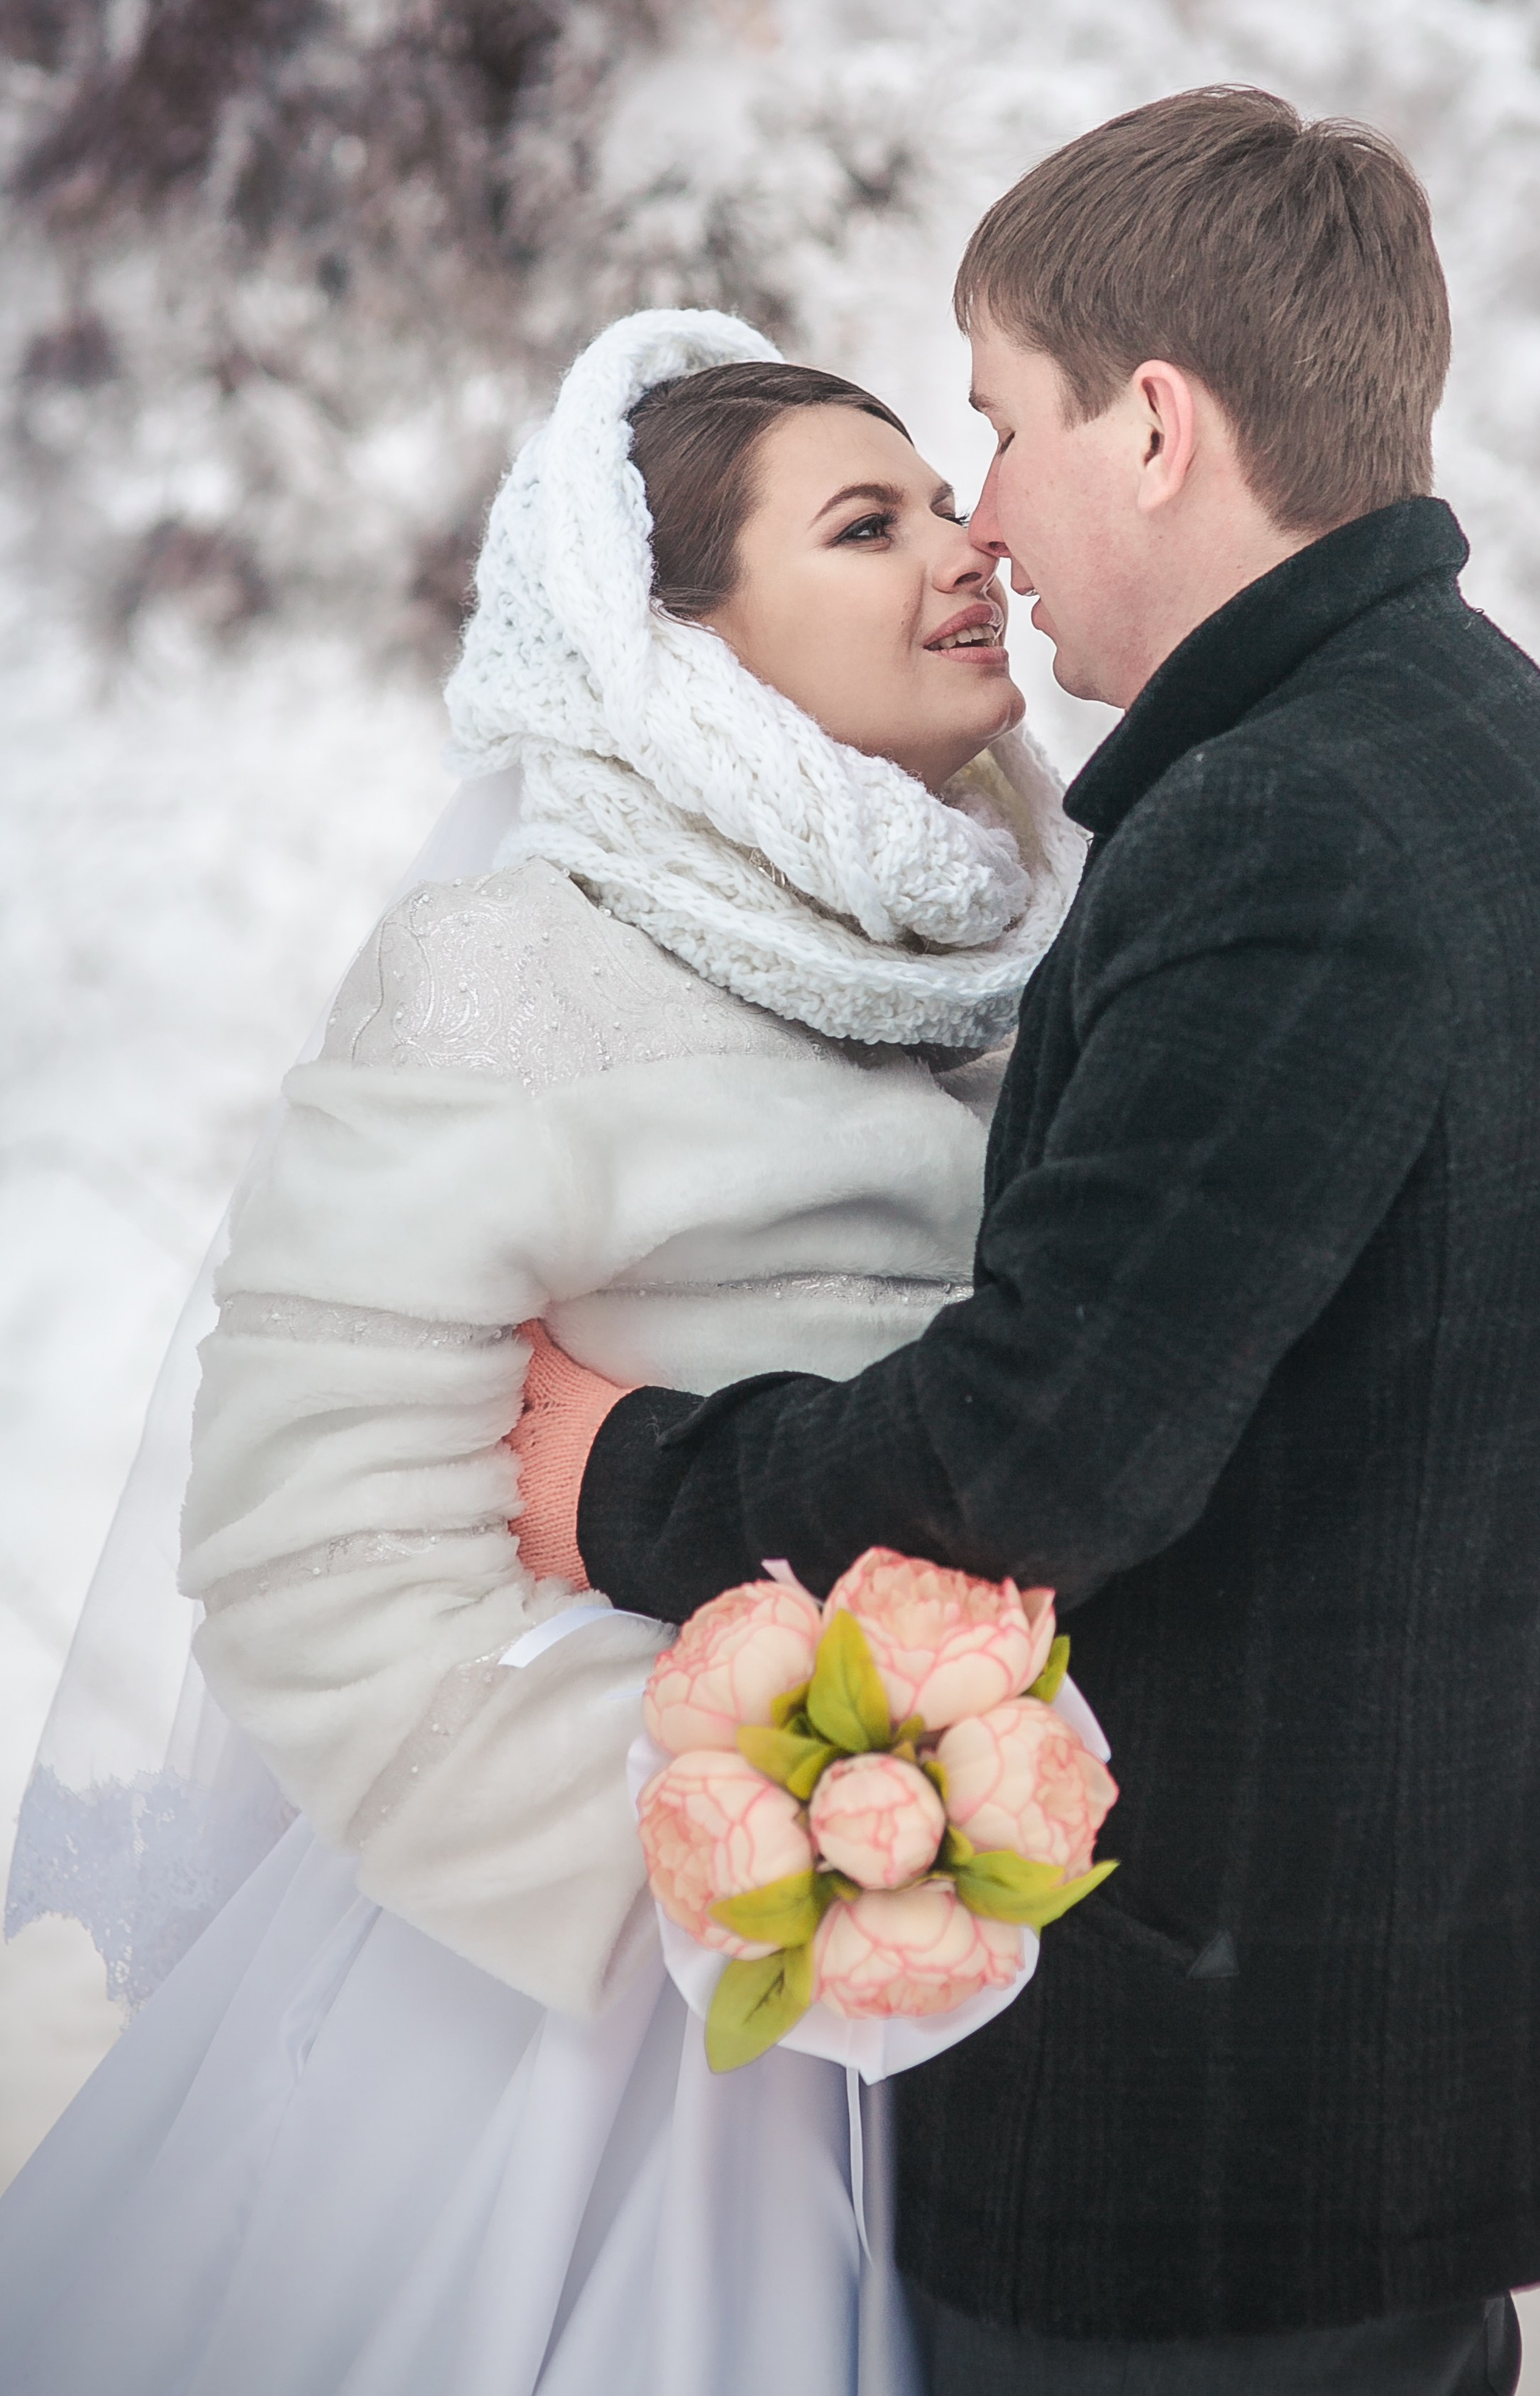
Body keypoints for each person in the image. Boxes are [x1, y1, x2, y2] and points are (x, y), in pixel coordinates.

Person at [540, 89, 1540, 2395]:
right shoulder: (1458, 737)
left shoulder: (1295, 827)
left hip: (1206, 2129)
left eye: (1000, 422)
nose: (987, 518)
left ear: (1156, 425)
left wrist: (623, 1482)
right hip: (1348, 2066)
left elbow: (1036, 1455)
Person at [0, 312, 1083, 2396]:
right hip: (589, 2010)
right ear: (677, 645)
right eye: (870, 526)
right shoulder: (521, 963)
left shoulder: (1056, 943)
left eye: (951, 498)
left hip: (990, 1986)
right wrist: (717, 1848)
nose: (968, 553)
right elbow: (312, 1547)